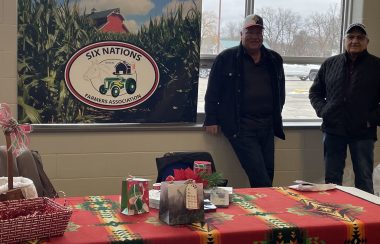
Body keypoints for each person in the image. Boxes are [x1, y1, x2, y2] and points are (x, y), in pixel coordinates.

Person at [203, 14, 285, 187]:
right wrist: (211, 118)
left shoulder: (274, 59)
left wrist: (276, 115)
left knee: (268, 174)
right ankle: (266, 210)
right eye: (250, 32)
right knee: (260, 177)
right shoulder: (226, 59)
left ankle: (261, 210)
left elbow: (280, 92)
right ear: (241, 34)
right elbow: (212, 93)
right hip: (241, 127)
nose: (255, 37)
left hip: (267, 126)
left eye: (258, 32)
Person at [309, 23, 380, 194]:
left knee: (363, 178)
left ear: (367, 42)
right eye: (351, 37)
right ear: (344, 41)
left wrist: (371, 119)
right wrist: (323, 111)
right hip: (334, 130)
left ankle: (366, 219)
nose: (355, 40)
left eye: (360, 37)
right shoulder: (330, 64)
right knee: (332, 179)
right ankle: (334, 218)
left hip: (363, 132)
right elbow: (315, 92)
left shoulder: (377, 66)